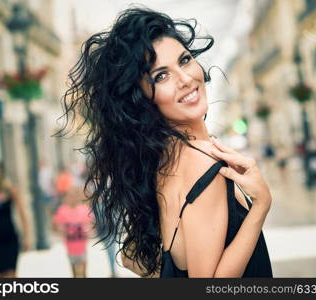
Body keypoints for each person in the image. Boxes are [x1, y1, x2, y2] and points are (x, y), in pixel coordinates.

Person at [59, 7, 273, 277]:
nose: (185, 79)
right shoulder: (201, 163)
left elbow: (131, 257)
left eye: (184, 60)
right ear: (143, 99)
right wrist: (260, 206)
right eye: (161, 76)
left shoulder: (164, 161)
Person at [53, 187, 93, 278]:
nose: (73, 198)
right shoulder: (62, 210)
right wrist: (62, 230)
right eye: (70, 196)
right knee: (74, 269)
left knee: (83, 268)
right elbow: (55, 226)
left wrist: (89, 230)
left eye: (75, 196)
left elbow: (91, 223)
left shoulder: (84, 209)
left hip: (82, 244)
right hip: (70, 245)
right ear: (66, 198)